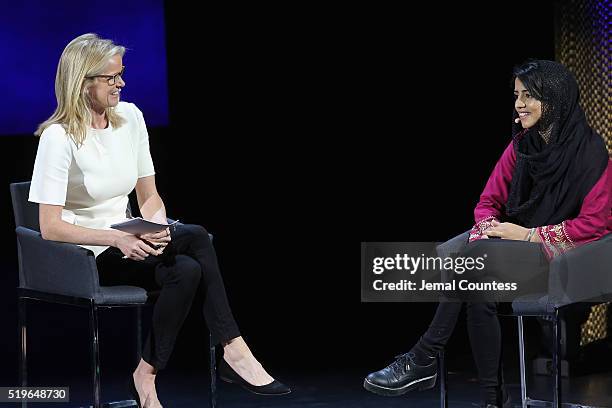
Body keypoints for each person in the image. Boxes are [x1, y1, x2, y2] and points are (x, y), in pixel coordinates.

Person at [29, 33, 291, 408]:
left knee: (186, 268)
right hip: (87, 254)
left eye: (121, 74)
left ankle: (145, 375)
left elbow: (148, 197)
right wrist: (115, 239)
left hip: (130, 237)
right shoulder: (58, 137)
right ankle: (235, 352)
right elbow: (49, 227)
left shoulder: (130, 118)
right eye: (111, 77)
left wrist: (158, 229)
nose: (121, 82)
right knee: (197, 237)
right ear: (83, 82)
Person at [363, 60, 611, 407]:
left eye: (529, 95)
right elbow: (487, 202)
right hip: (512, 255)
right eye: (516, 95)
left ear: (555, 99)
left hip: (569, 259)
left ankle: (423, 357)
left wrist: (525, 236)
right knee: (479, 287)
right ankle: (493, 401)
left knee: (472, 264)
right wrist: (489, 230)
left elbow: (596, 224)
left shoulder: (591, 154)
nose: (519, 104)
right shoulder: (521, 147)